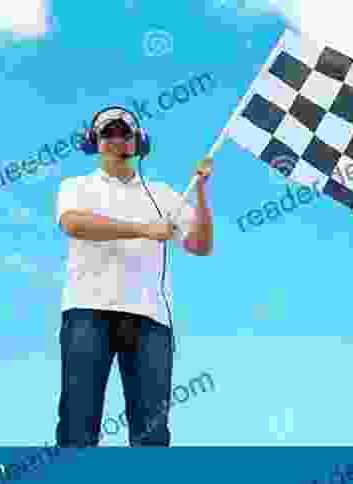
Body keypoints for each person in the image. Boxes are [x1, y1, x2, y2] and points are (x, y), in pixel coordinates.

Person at [54, 107, 213, 447]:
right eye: (107, 133)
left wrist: (200, 191)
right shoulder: (76, 186)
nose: (116, 139)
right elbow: (74, 224)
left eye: (124, 133)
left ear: (138, 142)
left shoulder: (165, 194)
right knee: (77, 423)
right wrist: (144, 229)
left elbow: (200, 246)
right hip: (87, 311)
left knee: (151, 432)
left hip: (150, 318)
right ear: (93, 142)